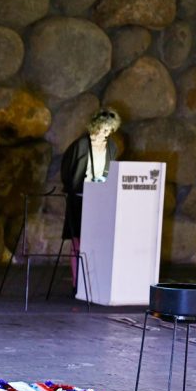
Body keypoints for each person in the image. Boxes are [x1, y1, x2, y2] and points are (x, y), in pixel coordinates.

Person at [60, 108, 121, 296]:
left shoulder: (111, 147)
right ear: (95, 126)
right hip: (79, 199)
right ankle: (77, 284)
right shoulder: (80, 146)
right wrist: (75, 188)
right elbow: (67, 171)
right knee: (78, 242)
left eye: (109, 130)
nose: (106, 133)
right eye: (103, 129)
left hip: (101, 200)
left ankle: (95, 282)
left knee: (98, 242)